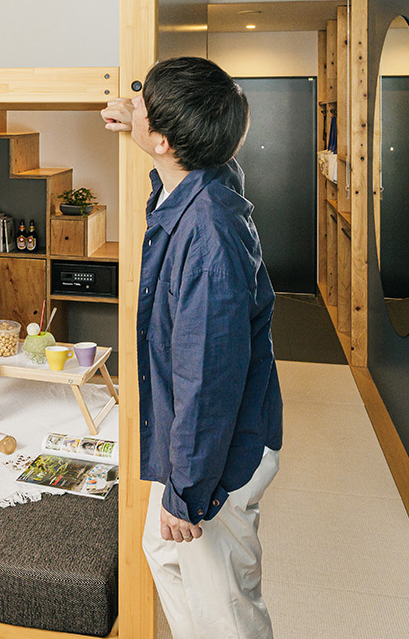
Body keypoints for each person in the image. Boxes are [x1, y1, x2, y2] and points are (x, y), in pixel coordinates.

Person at [101, 57, 283, 639]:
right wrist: (142, 125)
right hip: (201, 443)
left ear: (164, 140)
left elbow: (206, 380)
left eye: (141, 101)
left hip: (218, 453)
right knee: (164, 555)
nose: (131, 103)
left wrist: (187, 493)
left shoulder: (208, 237)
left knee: (224, 611)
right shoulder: (205, 180)